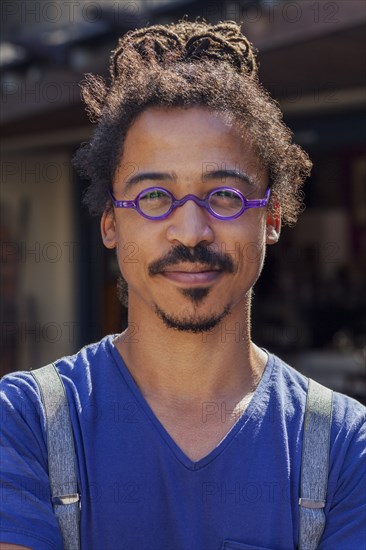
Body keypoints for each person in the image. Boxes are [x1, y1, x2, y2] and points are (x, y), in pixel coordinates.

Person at [1, 19, 365, 550]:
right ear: (110, 222)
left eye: (225, 196)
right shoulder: (27, 423)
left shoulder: (343, 447)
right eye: (153, 196)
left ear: (271, 218)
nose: (191, 230)